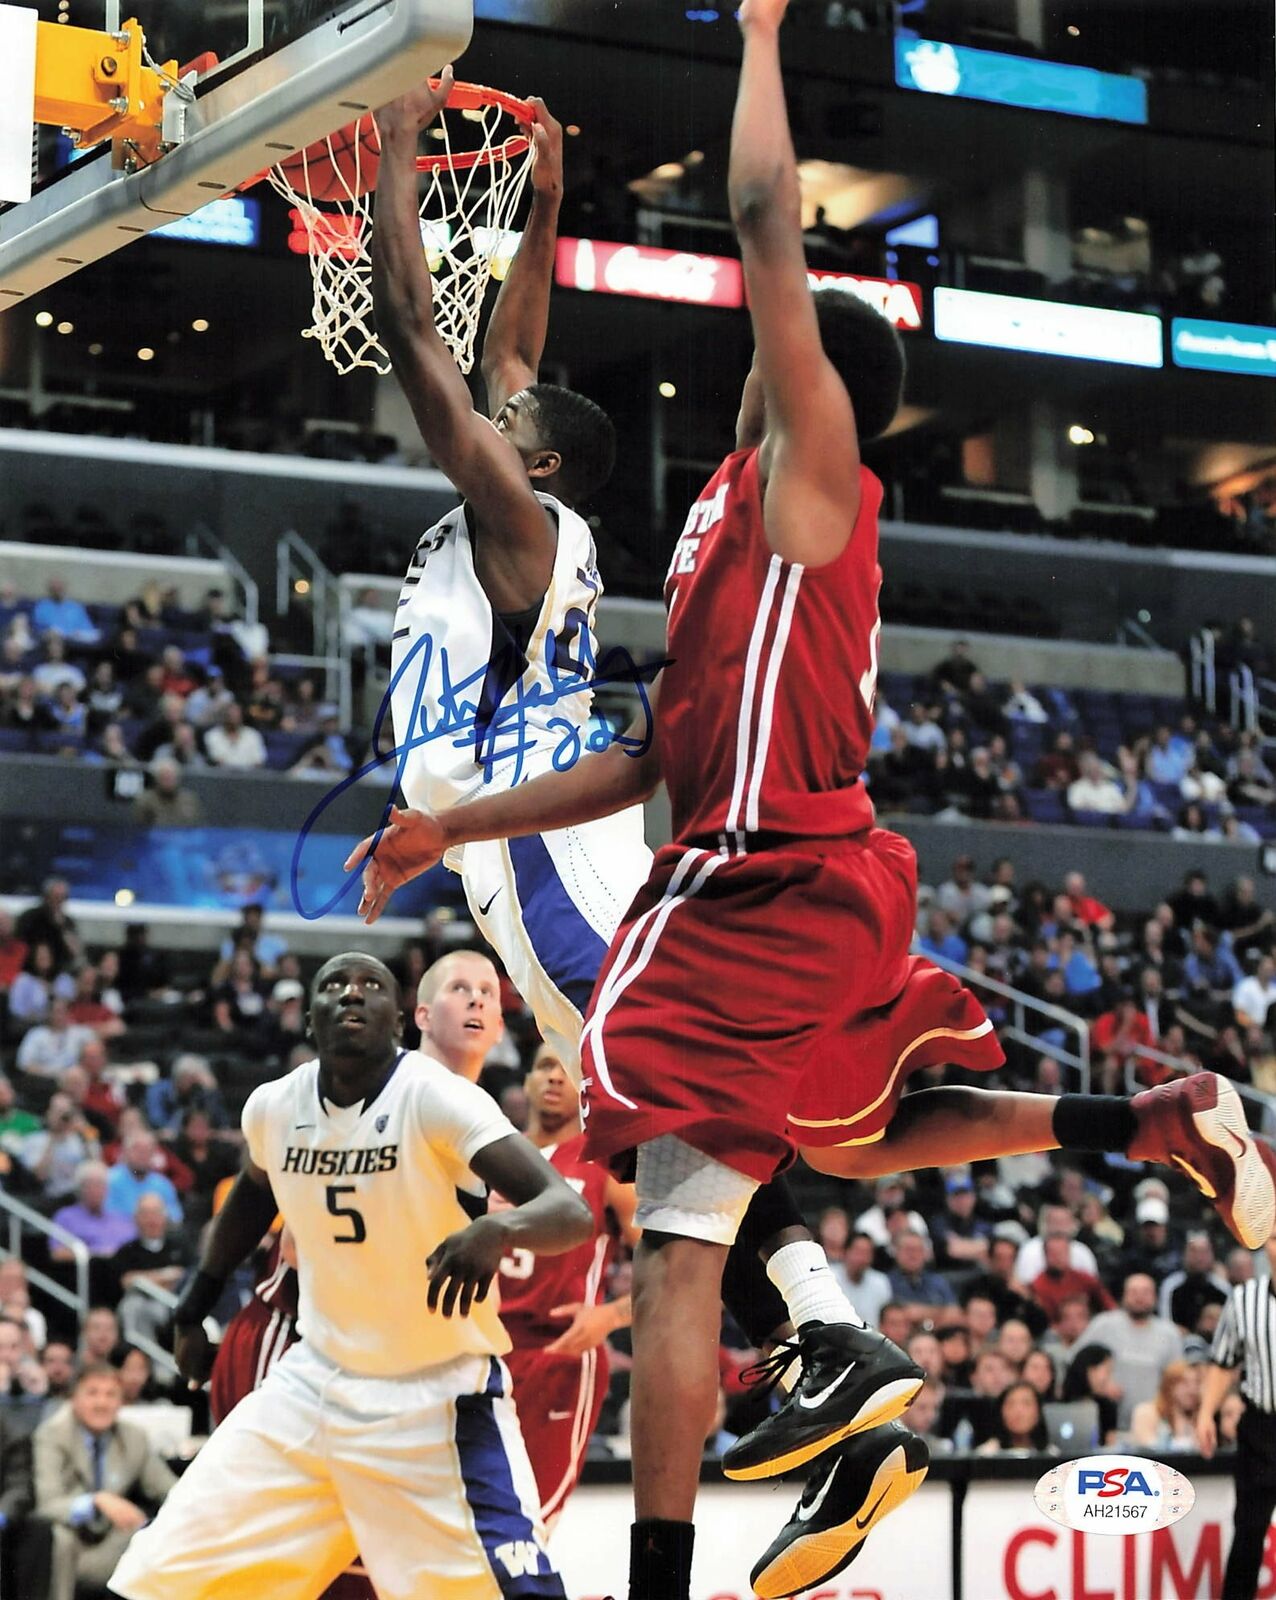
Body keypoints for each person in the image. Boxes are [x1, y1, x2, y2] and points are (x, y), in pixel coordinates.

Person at [349, 14, 1276, 1597]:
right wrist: (454, 829)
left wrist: (763, 32)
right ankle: (1146, 1121)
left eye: (775, 350)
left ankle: (823, 1360)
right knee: (836, 1146)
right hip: (780, 872)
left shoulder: (811, 475)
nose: (742, 369)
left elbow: (764, 225)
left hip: (754, 884)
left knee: (663, 1192)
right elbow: (650, 754)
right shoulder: (713, 531)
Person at [362, 52, 928, 1588]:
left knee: (670, 1107)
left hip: (537, 850)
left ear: (532, 459)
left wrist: (397, 170)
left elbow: (425, 342)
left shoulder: (520, 520)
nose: (504, 397)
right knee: (677, 1118)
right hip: (530, 835)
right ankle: (820, 1334)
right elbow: (511, 347)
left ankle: (820, 1331)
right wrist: (538, 205)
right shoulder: (549, 513)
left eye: (515, 414)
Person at [108, 951, 593, 1600]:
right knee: (155, 1578)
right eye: (333, 985)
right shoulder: (274, 1106)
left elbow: (569, 1210)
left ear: (398, 1018)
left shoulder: (436, 1094)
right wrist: (193, 1302)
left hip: (436, 1393)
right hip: (316, 1383)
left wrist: (496, 1229)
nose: (351, 994)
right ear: (310, 1018)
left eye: (370, 985)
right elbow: (253, 1192)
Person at [35, 1362, 176, 1600]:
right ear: (74, 1398)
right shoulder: (52, 1434)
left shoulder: (134, 1437)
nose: (102, 1403)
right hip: (71, 1540)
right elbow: (47, 1504)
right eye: (92, 1393)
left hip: (112, 1542)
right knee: (60, 1537)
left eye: (111, 1395)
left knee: (149, 1531)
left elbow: (168, 1487)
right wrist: (98, 1501)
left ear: (121, 1401)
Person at [1197, 1231, 1276, 1600]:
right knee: (1248, 1531)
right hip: (1261, 1427)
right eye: (1275, 1239)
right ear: (1265, 1246)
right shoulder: (1245, 1299)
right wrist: (1205, 1414)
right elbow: (1222, 1363)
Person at [1128, 1358, 1201, 1451]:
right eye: (1185, 1383)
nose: (1193, 1390)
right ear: (1169, 1385)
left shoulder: (1197, 1417)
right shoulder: (1146, 1412)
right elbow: (1150, 1449)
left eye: (1196, 1383)